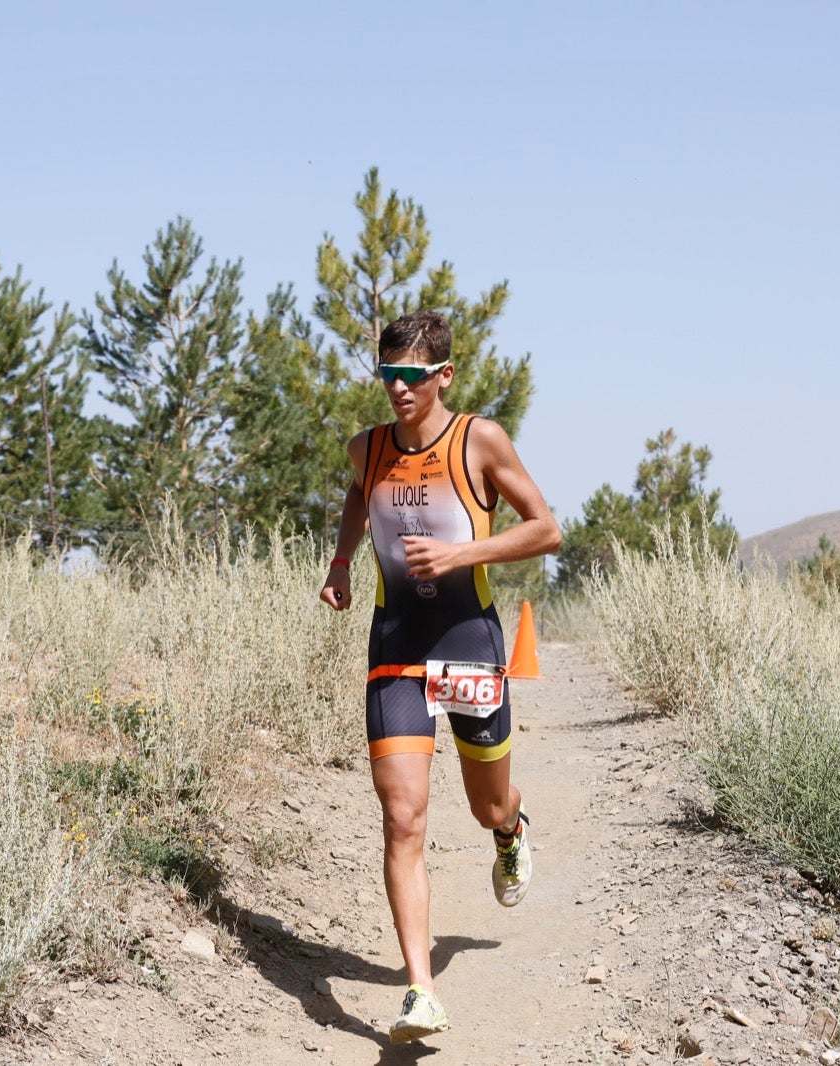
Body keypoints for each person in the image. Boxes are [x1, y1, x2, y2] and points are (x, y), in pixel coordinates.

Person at [319, 310, 562, 1045]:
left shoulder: (478, 440)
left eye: (410, 377)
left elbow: (546, 529)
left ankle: (513, 831)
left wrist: (457, 558)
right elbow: (361, 495)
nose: (396, 389)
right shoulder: (367, 449)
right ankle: (420, 993)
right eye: (386, 375)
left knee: (487, 805)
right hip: (396, 645)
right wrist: (340, 561)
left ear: (443, 376)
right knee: (403, 817)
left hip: (469, 644)